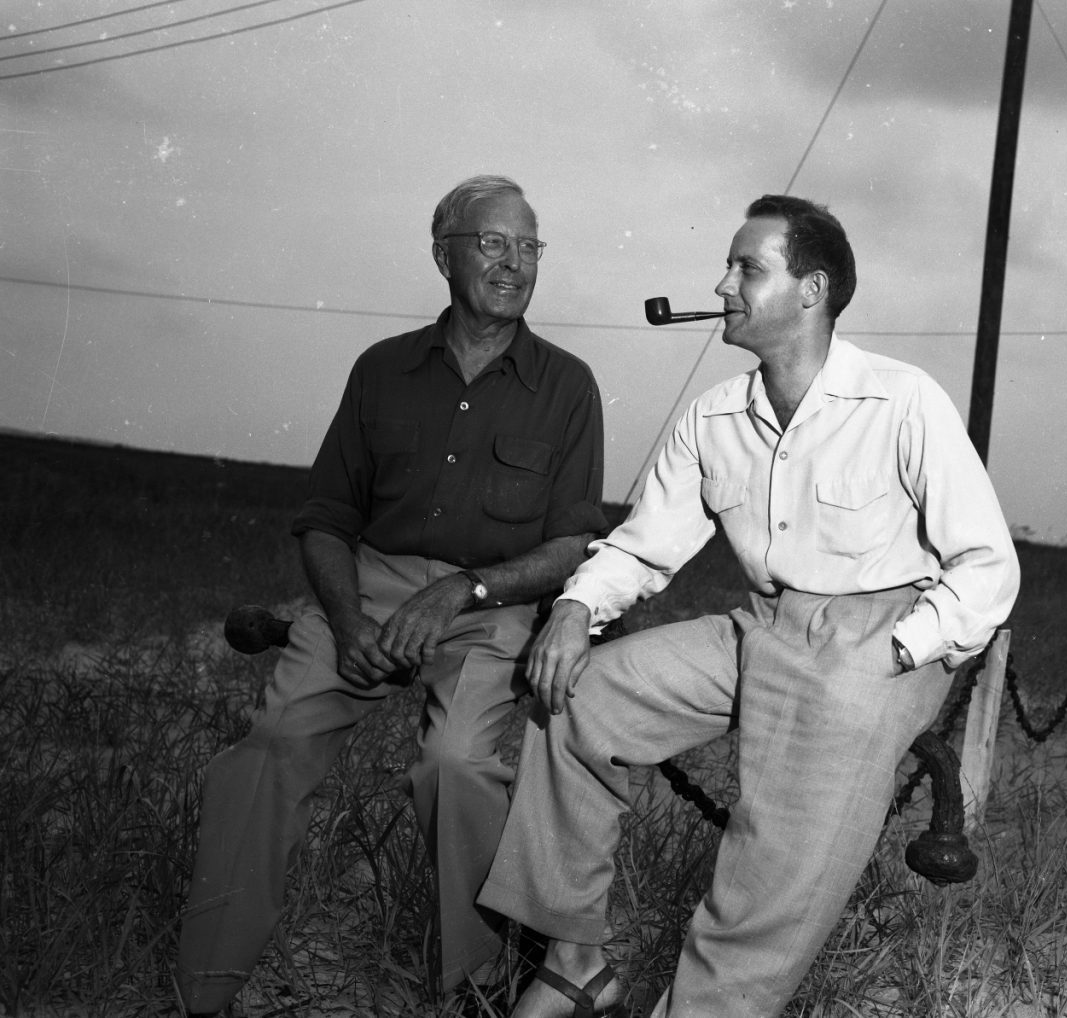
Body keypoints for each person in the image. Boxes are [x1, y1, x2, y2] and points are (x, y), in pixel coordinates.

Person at [475, 194, 1021, 1017]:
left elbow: (988, 566)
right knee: (575, 700)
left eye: (746, 268)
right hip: (766, 625)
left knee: (772, 867)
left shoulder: (901, 400)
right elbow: (641, 543)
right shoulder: (715, 417)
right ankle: (575, 960)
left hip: (879, 635)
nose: (723, 282)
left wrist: (896, 652)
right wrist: (572, 611)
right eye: (728, 264)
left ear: (812, 289)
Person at [176, 174, 607, 1015]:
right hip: (366, 590)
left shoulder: (568, 386)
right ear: (443, 252)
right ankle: (204, 990)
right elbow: (328, 519)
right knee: (269, 748)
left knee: (457, 766)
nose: (513, 263)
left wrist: (463, 588)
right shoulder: (381, 371)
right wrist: (343, 621)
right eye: (492, 242)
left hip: (492, 601)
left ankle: (478, 985)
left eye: (529, 246)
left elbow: (569, 545)